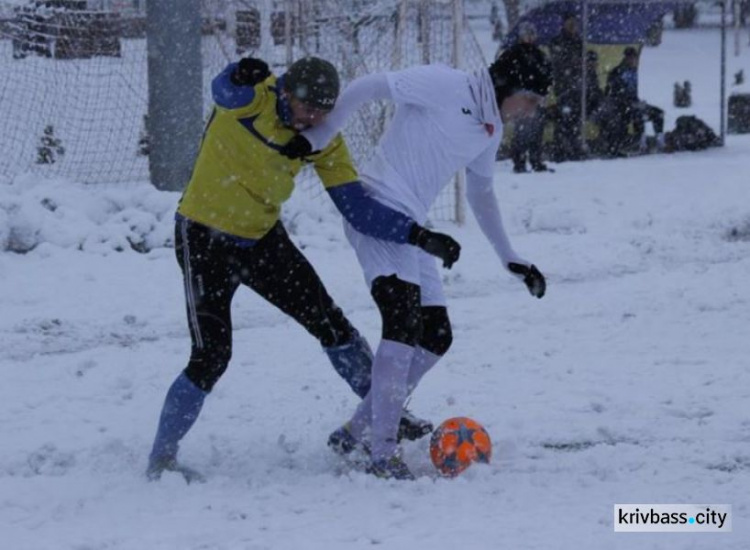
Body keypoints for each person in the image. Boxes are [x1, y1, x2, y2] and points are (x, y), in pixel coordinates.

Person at [146, 56, 458, 482]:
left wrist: (418, 235)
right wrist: (238, 70)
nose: (311, 119)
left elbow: (359, 210)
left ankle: (384, 416)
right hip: (203, 238)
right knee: (211, 355)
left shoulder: (323, 139)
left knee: (331, 324)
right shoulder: (253, 97)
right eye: (304, 107)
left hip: (261, 240)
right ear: (284, 91)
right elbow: (224, 91)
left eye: (321, 113)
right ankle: (162, 459)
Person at [279, 47, 550, 480]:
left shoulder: (489, 128)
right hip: (379, 211)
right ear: (511, 86)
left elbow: (481, 195)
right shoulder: (446, 83)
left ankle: (354, 431)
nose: (532, 110)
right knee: (401, 328)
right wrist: (318, 137)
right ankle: (383, 455)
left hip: (412, 224)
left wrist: (510, 258)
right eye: (532, 99)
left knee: (436, 336)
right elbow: (371, 86)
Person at [603, 47, 665, 156]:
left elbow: (633, 93)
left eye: (634, 58)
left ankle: (660, 141)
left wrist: (637, 102)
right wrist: (628, 102)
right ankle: (641, 143)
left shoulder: (634, 71)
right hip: (621, 106)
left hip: (633, 102)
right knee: (638, 114)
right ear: (625, 58)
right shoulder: (618, 71)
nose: (632, 60)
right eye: (630, 58)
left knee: (658, 113)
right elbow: (612, 92)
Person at [507, 23, 551, 173]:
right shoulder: (513, 55)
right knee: (522, 132)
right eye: (527, 35)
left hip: (536, 98)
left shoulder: (539, 55)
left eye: (532, 35)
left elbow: (545, 76)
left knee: (537, 131)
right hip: (520, 99)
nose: (530, 38)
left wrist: (543, 94)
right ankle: (519, 163)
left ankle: (536, 160)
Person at [549, 12, 586, 162]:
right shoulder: (557, 41)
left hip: (576, 85)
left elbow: (580, 62)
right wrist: (571, 61)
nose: (573, 26)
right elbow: (558, 61)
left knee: (575, 118)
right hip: (562, 85)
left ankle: (574, 148)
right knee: (562, 118)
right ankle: (559, 151)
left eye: (574, 23)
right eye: (570, 23)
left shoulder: (578, 41)